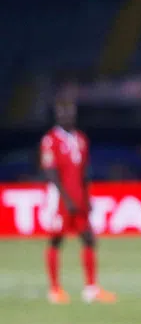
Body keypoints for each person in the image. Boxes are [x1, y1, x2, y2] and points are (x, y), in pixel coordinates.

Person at [40, 96, 116, 304]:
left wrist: (87, 196)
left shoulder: (81, 139)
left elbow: (84, 172)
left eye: (70, 113)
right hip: (61, 199)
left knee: (89, 238)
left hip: (79, 197)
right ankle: (54, 290)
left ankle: (91, 289)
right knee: (56, 240)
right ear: (57, 116)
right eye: (63, 113)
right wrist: (65, 198)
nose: (67, 116)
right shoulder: (50, 140)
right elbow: (51, 172)